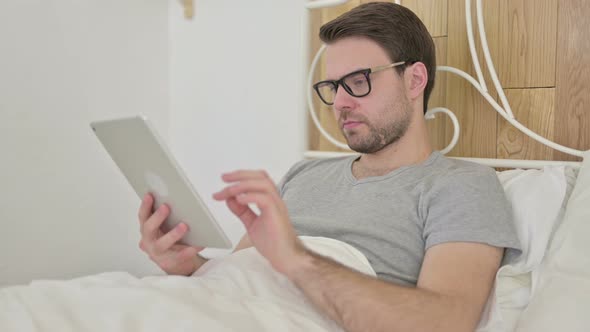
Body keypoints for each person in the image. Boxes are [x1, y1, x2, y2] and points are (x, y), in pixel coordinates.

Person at [137, 3, 520, 332]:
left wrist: (297, 259)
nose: (339, 102)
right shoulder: (304, 175)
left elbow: (446, 321)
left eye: (357, 82)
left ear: (415, 79)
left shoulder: (462, 186)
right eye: (333, 87)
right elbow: (242, 279)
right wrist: (188, 266)